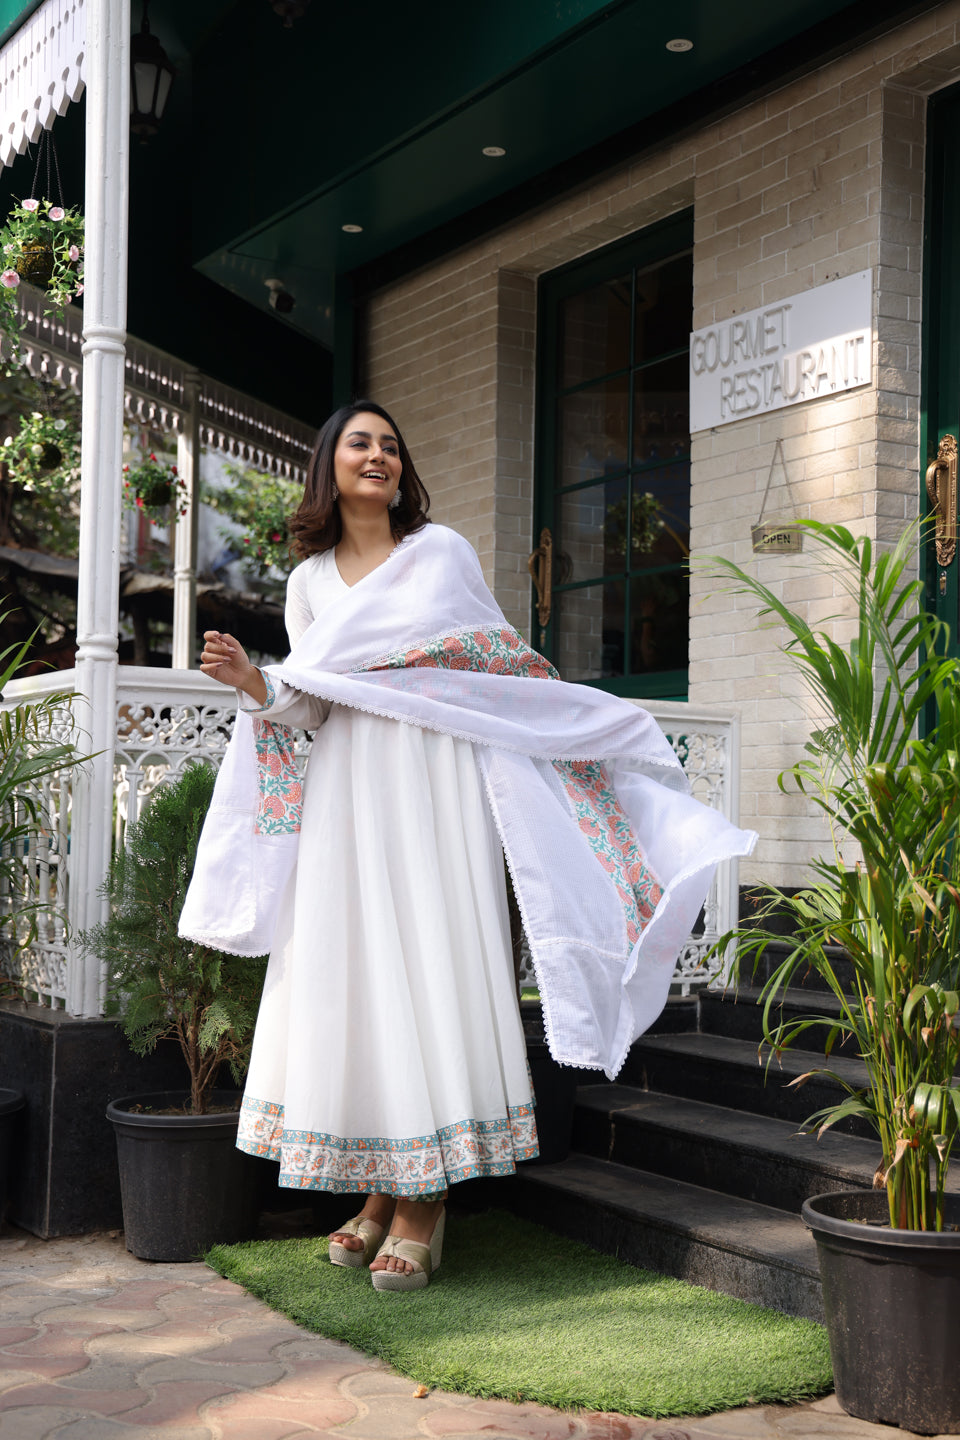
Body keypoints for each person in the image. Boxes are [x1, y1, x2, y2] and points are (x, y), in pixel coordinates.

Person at [182, 400, 756, 1293]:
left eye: (392, 447)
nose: (379, 456)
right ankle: (378, 1188)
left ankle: (426, 1204)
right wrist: (256, 683)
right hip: (347, 795)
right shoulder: (307, 583)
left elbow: (489, 671)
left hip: (434, 786)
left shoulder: (438, 553)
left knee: (431, 962)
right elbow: (314, 702)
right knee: (362, 974)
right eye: (361, 443)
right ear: (329, 464)